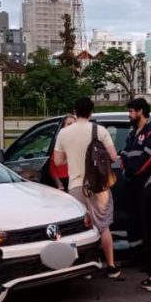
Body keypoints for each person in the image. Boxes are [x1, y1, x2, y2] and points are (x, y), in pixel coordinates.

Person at [52, 98, 122, 279]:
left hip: (75, 186)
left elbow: (58, 161)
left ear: (75, 111)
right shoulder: (100, 131)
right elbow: (114, 156)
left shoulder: (64, 133)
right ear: (91, 112)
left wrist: (72, 158)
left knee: (79, 229)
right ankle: (112, 266)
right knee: (104, 226)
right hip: (99, 186)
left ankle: (84, 268)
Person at [121, 98, 151, 246]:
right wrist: (126, 171)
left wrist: (134, 172)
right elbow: (124, 153)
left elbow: (150, 158)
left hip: (147, 182)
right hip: (133, 183)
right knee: (135, 219)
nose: (128, 115)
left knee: (148, 219)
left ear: (140, 111)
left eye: (130, 111)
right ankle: (137, 253)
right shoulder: (132, 133)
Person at [49, 113, 76, 190]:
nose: (71, 127)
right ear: (63, 126)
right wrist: (58, 183)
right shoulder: (59, 141)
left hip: (75, 180)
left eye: (74, 125)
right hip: (62, 180)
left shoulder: (79, 140)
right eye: (69, 124)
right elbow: (52, 165)